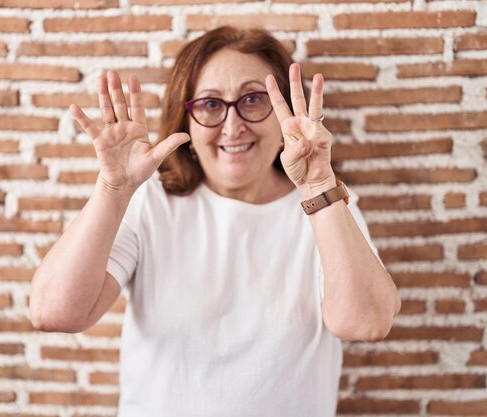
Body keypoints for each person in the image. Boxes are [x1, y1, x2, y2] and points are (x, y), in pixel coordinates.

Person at [29, 26, 401, 417]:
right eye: (210, 104)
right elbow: (54, 312)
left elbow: (366, 323)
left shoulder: (326, 203)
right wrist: (113, 189)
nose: (232, 125)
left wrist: (318, 185)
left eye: (254, 99)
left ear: (287, 113)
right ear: (185, 118)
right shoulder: (151, 201)